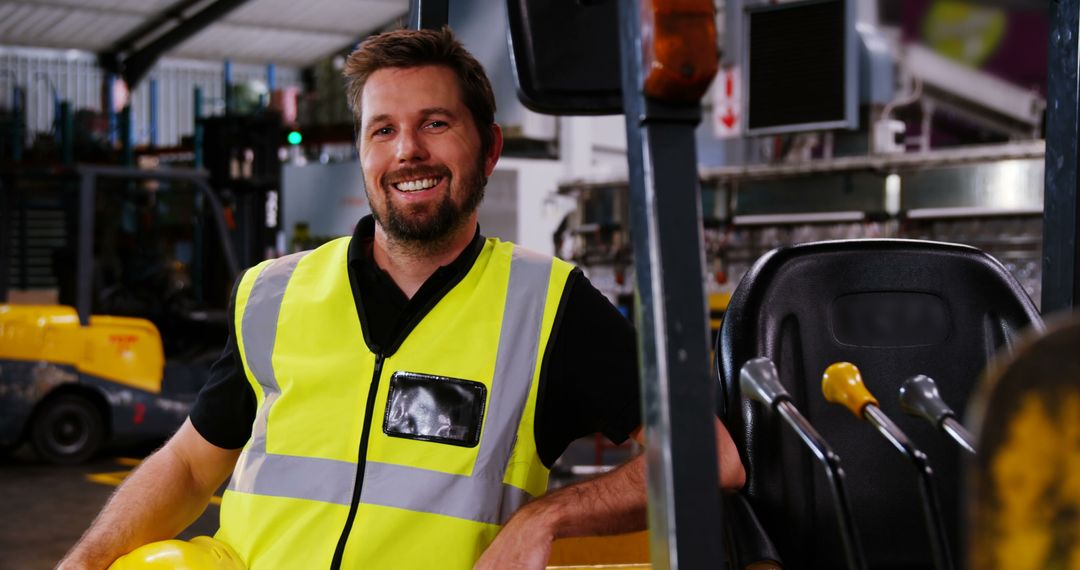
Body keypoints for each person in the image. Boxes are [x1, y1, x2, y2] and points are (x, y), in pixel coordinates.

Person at [60, 27, 745, 570]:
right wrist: (86, 560)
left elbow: (710, 459)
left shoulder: (549, 307)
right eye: (382, 129)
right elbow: (187, 464)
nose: (407, 150)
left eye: (436, 123)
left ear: (489, 149)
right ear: (362, 153)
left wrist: (548, 516)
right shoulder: (276, 293)